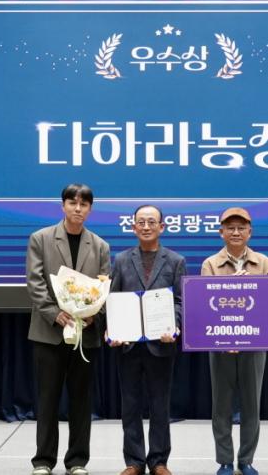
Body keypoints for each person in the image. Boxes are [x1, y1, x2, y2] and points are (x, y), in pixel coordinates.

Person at [27, 183, 110, 475]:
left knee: (81, 400)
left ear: (90, 209)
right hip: (49, 333)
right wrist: (55, 313)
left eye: (83, 204)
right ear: (62, 206)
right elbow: (35, 282)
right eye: (72, 203)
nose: (78, 208)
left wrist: (93, 312)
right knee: (48, 399)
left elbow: (103, 285)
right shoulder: (41, 239)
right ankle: (43, 460)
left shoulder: (100, 246)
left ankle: (77, 461)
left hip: (85, 335)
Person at [107, 204, 187, 475]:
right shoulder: (121, 260)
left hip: (161, 345)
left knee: (160, 406)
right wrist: (113, 330)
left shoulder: (175, 261)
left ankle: (159, 461)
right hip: (128, 346)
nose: (146, 226)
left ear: (162, 227)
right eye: (141, 222)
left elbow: (180, 301)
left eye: (152, 222)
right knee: (130, 405)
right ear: (133, 227)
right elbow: (113, 299)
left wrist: (174, 326)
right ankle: (134, 462)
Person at [201, 207, 268, 475]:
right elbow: (204, 303)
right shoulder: (210, 264)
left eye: (241, 228)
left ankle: (246, 460)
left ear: (249, 232)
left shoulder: (263, 262)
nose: (235, 232)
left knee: (251, 405)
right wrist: (229, 287)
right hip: (220, 345)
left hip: (254, 344)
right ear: (221, 232)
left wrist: (261, 287)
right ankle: (225, 460)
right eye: (230, 228)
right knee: (221, 406)